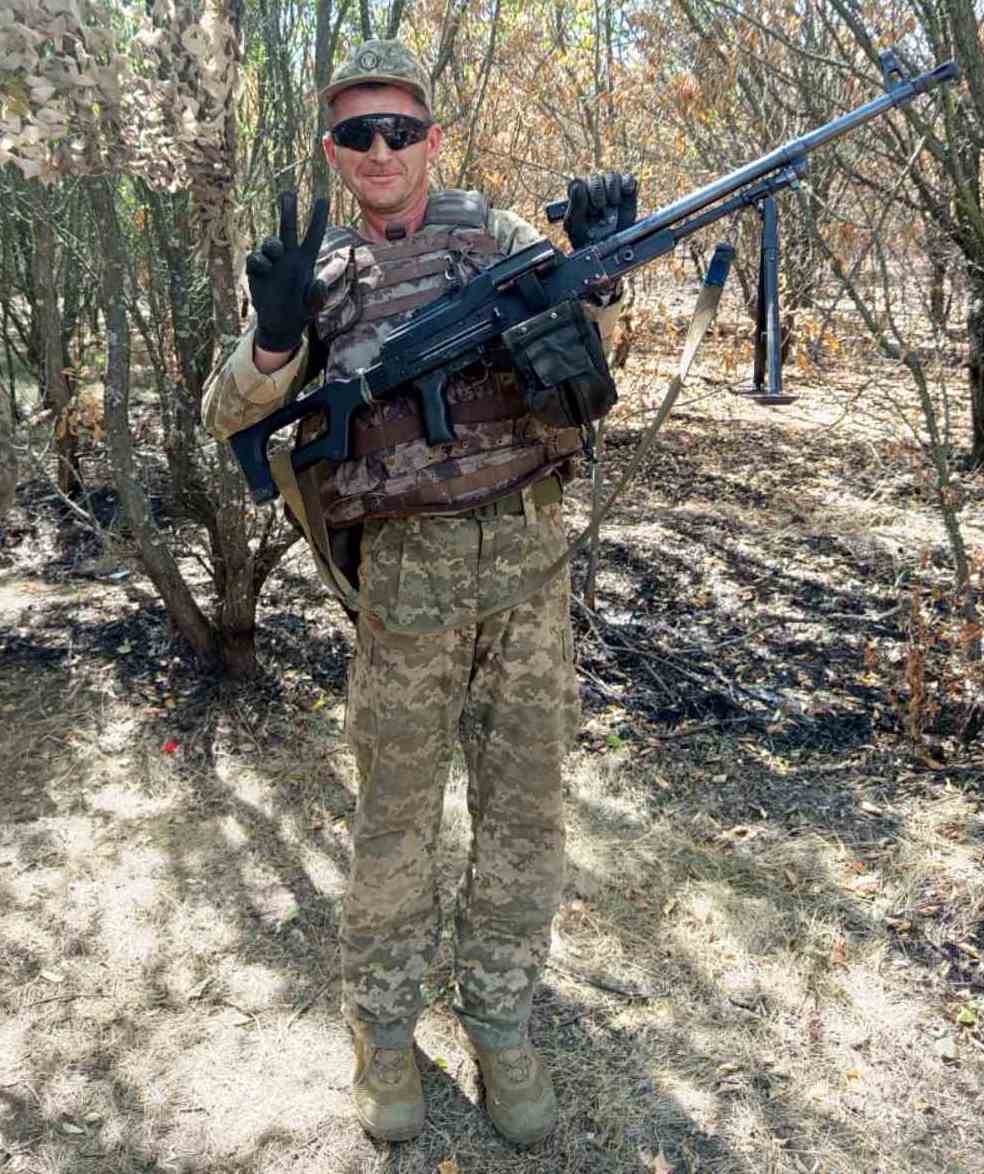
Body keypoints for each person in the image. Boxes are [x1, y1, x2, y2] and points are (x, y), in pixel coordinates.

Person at [202, 38, 636, 1146]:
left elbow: (596, 367)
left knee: (524, 810)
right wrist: (276, 338)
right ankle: (386, 1032)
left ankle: (500, 1019)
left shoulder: (495, 238)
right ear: (334, 151)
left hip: (527, 566)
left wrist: (601, 270)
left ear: (432, 138)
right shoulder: (320, 280)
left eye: (399, 129)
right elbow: (226, 418)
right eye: (358, 133)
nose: (381, 150)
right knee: (395, 817)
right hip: (404, 587)